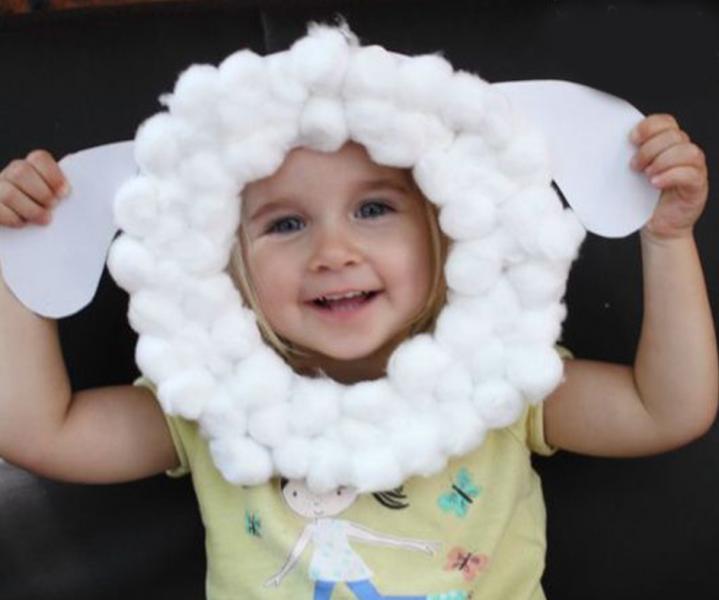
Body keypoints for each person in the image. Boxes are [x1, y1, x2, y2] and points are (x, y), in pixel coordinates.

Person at [0, 113, 716, 599]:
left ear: (445, 231)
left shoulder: (498, 377)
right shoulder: (210, 398)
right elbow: (39, 432)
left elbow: (665, 410)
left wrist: (664, 240)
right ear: (225, 264)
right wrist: (27, 258)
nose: (333, 253)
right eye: (284, 223)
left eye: (373, 209)